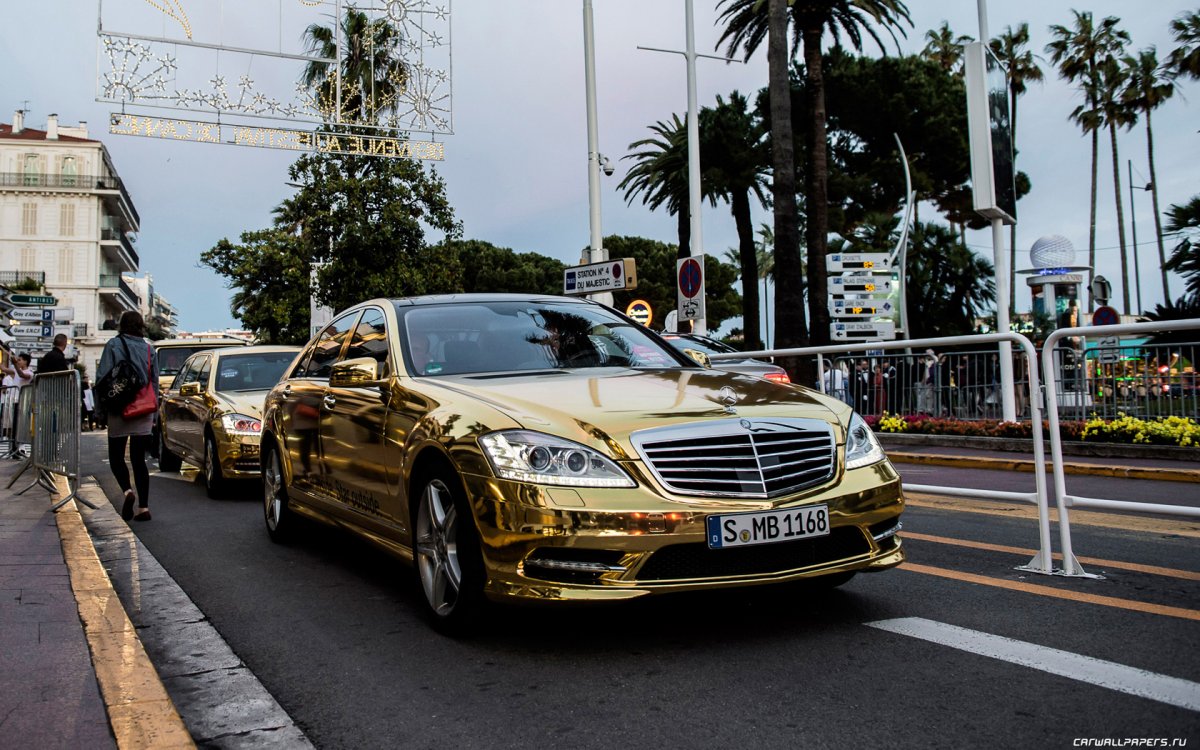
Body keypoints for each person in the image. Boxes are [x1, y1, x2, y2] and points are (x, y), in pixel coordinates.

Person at [97, 311, 159, 522]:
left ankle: (126, 491)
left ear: (121, 325)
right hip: (143, 409)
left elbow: (102, 379)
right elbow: (154, 382)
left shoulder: (113, 345)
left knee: (116, 457)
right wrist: (154, 412)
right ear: (141, 325)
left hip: (119, 408)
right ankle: (143, 507)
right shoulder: (150, 348)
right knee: (139, 460)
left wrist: (100, 411)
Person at [1, 348, 35, 458]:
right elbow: (4, 369)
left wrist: (15, 365)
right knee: (12, 426)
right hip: (12, 401)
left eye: (20, 360)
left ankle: (19, 448)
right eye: (18, 360)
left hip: (21, 402)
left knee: (19, 426)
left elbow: (21, 375)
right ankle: (14, 449)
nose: (18, 361)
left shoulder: (30, 372)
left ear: (26, 361)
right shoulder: (16, 370)